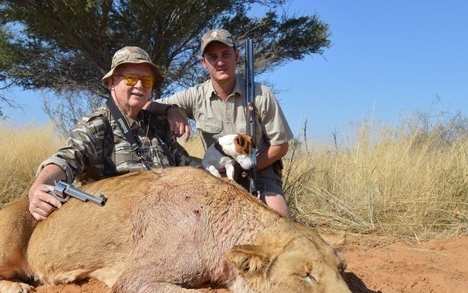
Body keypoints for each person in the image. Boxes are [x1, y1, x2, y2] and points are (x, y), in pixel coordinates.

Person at [29, 46, 196, 221]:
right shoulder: (97, 124)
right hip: (114, 224)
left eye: (147, 81)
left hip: (166, 217)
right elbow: (66, 159)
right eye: (131, 78)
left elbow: (187, 165)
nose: (139, 86)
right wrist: (41, 185)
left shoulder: (159, 125)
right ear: (111, 82)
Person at [149, 29, 294, 217]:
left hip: (258, 171)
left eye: (226, 54)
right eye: (213, 57)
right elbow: (148, 106)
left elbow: (280, 146)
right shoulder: (195, 95)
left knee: (278, 217)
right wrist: (171, 109)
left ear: (236, 55)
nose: (220, 62)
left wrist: (247, 168)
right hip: (216, 174)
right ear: (204, 63)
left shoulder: (261, 94)